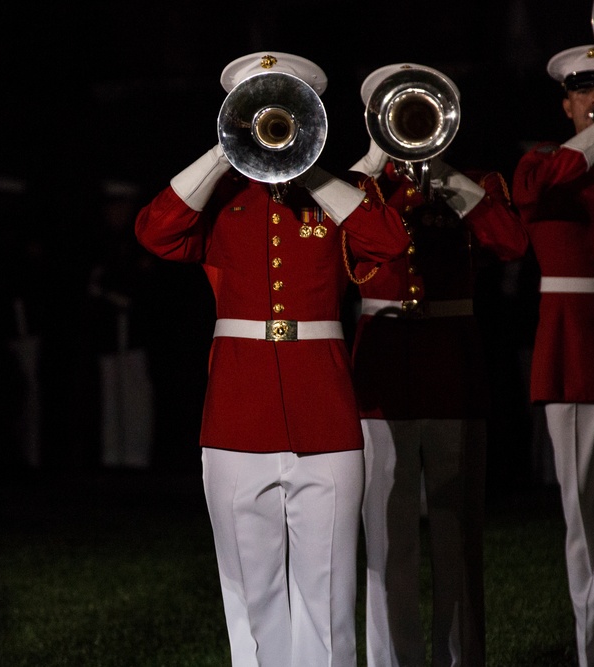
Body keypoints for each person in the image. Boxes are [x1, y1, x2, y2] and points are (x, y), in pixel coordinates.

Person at [134, 51, 410, 666]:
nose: (271, 118)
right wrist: (225, 149)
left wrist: (310, 166)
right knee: (251, 595)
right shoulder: (221, 195)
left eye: (283, 106)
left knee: (329, 595)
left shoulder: (341, 192)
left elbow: (388, 243)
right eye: (256, 107)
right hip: (238, 416)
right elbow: (155, 231)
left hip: (326, 415)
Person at [347, 63, 529, 667]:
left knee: (458, 532)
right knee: (385, 535)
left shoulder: (474, 182)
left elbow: (510, 243)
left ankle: (463, 657)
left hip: (453, 367)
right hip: (383, 371)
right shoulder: (362, 188)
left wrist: (445, 173)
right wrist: (376, 162)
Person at [512, 44, 594, 667]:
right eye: (587, 94)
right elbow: (544, 189)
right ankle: (593, 649)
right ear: (567, 101)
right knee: (584, 520)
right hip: (576, 351)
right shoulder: (540, 164)